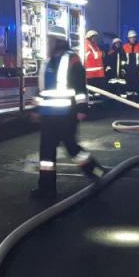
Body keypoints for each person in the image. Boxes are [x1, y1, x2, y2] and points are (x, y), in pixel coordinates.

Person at [31, 36, 104, 199]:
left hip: (66, 114)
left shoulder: (72, 59)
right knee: (46, 155)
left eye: (50, 41)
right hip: (48, 116)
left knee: (72, 148)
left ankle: (97, 172)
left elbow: (79, 87)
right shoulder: (46, 62)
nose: (47, 44)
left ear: (58, 42)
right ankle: (46, 188)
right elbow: (41, 90)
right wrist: (36, 109)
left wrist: (81, 108)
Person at [122, 29, 139, 96]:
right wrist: (123, 69)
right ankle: (129, 96)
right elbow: (123, 59)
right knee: (128, 84)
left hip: (137, 69)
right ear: (128, 38)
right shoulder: (124, 47)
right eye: (131, 38)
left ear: (136, 38)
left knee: (137, 85)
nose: (132, 39)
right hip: (128, 69)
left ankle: (136, 96)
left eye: (134, 37)